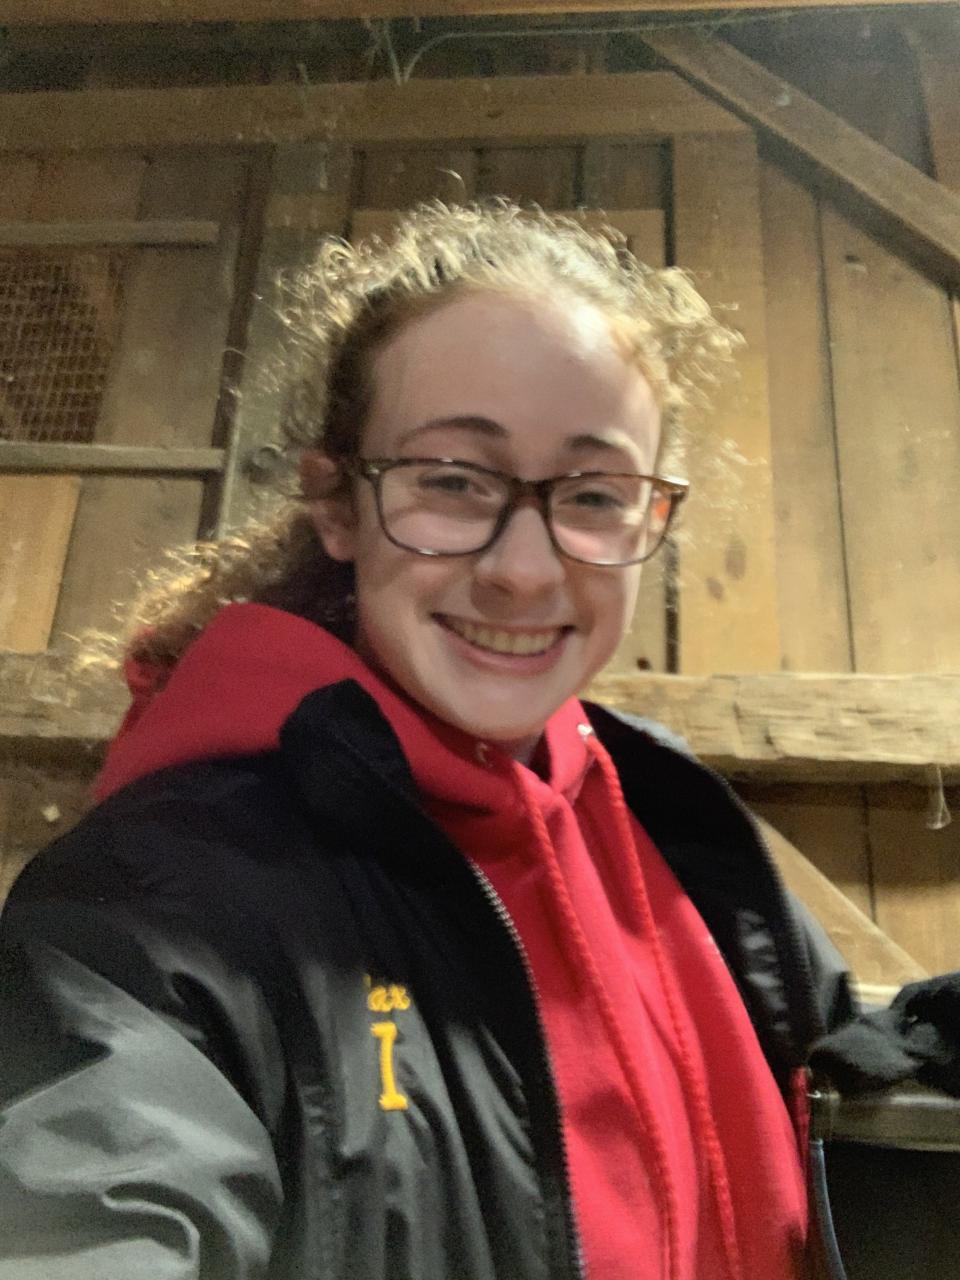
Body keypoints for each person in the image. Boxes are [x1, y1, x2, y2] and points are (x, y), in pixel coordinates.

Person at [0, 201, 858, 1280]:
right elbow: (93, 1186)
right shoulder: (156, 897)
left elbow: (853, 1072)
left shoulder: (673, 818)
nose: (524, 571)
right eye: (453, 480)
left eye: (594, 494)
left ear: (651, 518)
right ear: (338, 506)